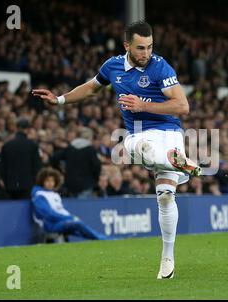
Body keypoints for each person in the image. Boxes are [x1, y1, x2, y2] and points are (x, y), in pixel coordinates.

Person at [33, 20, 201, 279]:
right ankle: (176, 162)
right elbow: (90, 88)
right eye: (140, 48)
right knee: (139, 146)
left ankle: (167, 256)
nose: (146, 53)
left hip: (170, 133)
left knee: (166, 196)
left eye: (149, 47)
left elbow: (182, 106)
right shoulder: (112, 67)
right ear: (127, 46)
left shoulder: (160, 67)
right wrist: (60, 99)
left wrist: (143, 106)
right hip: (139, 134)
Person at [31, 167, 106, 241]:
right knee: (77, 224)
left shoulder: (55, 195)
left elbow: (61, 211)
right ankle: (101, 238)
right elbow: (48, 214)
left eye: (52, 181)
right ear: (42, 182)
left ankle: (98, 238)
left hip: (60, 222)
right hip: (49, 225)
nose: (50, 183)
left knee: (77, 224)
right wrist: (68, 218)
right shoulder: (39, 195)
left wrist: (71, 217)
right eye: (47, 181)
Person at [50, 129, 101, 198]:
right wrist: (95, 180)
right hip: (86, 185)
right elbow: (97, 166)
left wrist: (60, 170)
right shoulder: (90, 150)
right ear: (89, 138)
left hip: (70, 184)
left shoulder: (70, 148)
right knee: (84, 208)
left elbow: (54, 158)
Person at [0, 118, 41, 199]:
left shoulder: (7, 145)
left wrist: (5, 181)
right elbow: (37, 166)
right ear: (28, 130)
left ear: (17, 128)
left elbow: (2, 166)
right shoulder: (32, 145)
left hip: (11, 184)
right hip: (28, 184)